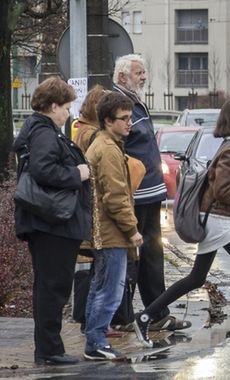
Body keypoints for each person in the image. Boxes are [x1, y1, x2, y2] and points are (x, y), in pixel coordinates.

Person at [133, 95, 230, 348]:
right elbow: (222, 191)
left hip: (217, 218)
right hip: (219, 219)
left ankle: (145, 316)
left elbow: (227, 186)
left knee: (196, 277)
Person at [13, 77, 92, 365]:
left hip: (48, 222)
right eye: (67, 106)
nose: (69, 112)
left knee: (49, 285)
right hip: (52, 224)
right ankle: (49, 350)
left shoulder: (40, 129)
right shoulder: (45, 132)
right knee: (53, 286)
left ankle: (49, 348)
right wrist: (77, 174)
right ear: (54, 105)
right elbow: (44, 169)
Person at [112, 54, 190, 331]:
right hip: (135, 196)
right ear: (122, 77)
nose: (144, 77)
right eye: (139, 73)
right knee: (133, 258)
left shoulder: (136, 103)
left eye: (144, 72)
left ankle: (156, 313)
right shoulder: (119, 105)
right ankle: (121, 319)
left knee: (152, 257)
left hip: (151, 193)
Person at [82, 92, 144, 361]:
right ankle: (96, 341)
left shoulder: (106, 144)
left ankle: (94, 339)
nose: (130, 123)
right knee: (110, 289)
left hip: (104, 231)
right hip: (110, 232)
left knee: (100, 286)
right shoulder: (107, 149)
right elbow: (116, 196)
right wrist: (132, 230)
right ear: (108, 120)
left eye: (131, 118)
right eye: (124, 119)